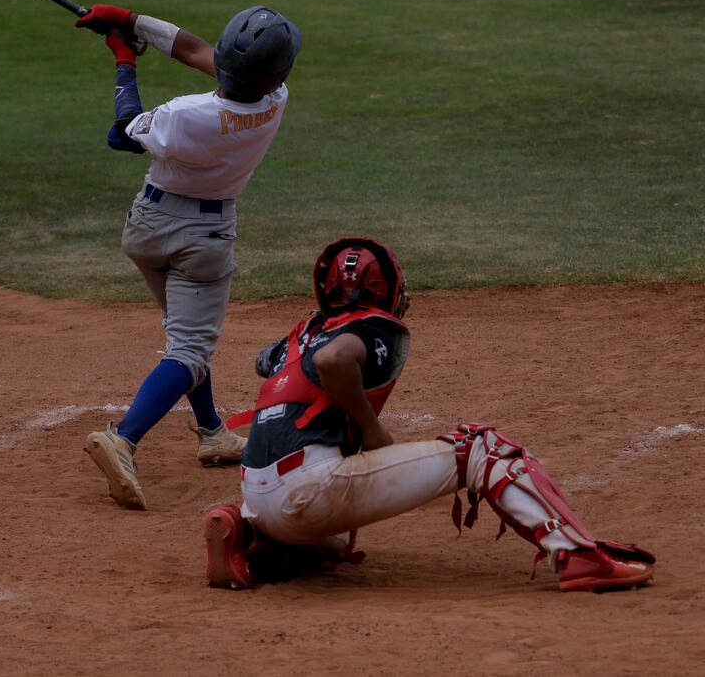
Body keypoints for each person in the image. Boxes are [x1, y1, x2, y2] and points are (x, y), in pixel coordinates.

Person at [202, 237, 656, 592]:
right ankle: (577, 556)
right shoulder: (370, 325)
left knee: (336, 539)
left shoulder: (301, 332)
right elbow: (334, 361)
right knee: (480, 448)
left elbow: (267, 361)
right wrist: (371, 428)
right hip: (308, 488)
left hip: (257, 491)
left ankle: (249, 535)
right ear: (385, 288)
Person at [76, 3, 302, 511]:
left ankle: (212, 433)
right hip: (202, 239)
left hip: (147, 229)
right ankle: (123, 438)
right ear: (276, 75)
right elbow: (198, 51)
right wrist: (131, 22)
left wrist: (123, 58)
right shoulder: (276, 98)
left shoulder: (185, 115)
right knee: (190, 348)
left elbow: (123, 132)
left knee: (186, 338)